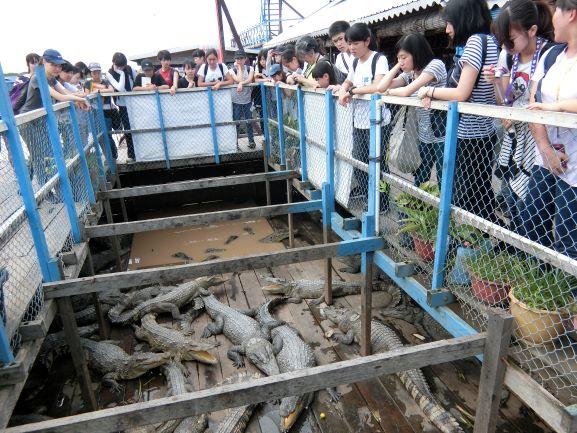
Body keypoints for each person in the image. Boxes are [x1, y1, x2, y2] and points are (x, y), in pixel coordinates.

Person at [417, 0, 499, 222]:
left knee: (464, 195)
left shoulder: (474, 42)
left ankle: (467, 245)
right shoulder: (490, 40)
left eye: (449, 23)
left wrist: (429, 92)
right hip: (484, 130)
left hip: (468, 132)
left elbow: (462, 92)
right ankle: (485, 241)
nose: (447, 29)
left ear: (463, 19)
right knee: (480, 192)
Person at [484, 0, 554, 229]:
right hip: (515, 141)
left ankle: (535, 257)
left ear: (532, 30)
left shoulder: (549, 53)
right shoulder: (508, 56)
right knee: (512, 199)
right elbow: (505, 99)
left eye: (510, 40)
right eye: (502, 41)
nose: (505, 46)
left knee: (536, 208)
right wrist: (495, 81)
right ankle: (516, 250)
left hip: (543, 141)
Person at [520, 0, 577, 259]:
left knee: (569, 238)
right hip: (546, 158)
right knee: (532, 224)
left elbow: (546, 107)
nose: (551, 18)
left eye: (555, 12)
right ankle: (540, 288)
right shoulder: (551, 55)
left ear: (571, 14)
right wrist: (544, 148)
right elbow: (535, 103)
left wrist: (558, 107)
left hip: (575, 167)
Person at [377, 33, 448, 187]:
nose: (401, 61)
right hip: (422, 132)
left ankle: (443, 209)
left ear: (416, 53)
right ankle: (420, 205)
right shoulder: (410, 73)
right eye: (398, 58)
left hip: (442, 132)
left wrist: (389, 92)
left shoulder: (434, 65)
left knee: (444, 176)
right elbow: (381, 87)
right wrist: (398, 65)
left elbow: (405, 91)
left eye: (404, 57)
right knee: (421, 174)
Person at [335, 23, 391, 210]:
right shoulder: (355, 62)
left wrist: (352, 90)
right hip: (359, 121)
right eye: (349, 43)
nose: (351, 48)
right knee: (359, 161)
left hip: (378, 121)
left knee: (378, 164)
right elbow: (347, 81)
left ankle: (381, 204)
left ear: (367, 41)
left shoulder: (378, 59)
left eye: (355, 43)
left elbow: (378, 85)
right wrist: (344, 91)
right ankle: (370, 196)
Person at [19, 49, 89, 185]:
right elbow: (60, 97)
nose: (58, 68)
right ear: (44, 62)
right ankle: (42, 190)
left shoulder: (51, 78)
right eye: (54, 65)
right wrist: (80, 99)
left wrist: (82, 97)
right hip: (28, 122)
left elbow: (66, 91)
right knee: (39, 156)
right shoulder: (38, 77)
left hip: (40, 121)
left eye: (59, 65)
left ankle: (28, 185)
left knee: (43, 154)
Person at [105, 52, 136, 161]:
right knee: (128, 130)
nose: (121, 68)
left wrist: (123, 72)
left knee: (138, 127)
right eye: (118, 65)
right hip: (123, 106)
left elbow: (136, 83)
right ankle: (132, 155)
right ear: (113, 63)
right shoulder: (109, 73)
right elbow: (120, 88)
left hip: (134, 103)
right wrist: (122, 74)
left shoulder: (130, 69)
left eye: (122, 66)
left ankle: (141, 153)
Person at [84, 62, 116, 155]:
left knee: (108, 134)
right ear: (91, 73)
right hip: (94, 111)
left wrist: (97, 91)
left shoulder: (105, 81)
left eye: (98, 72)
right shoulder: (88, 83)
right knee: (98, 135)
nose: (96, 74)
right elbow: (87, 94)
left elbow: (111, 90)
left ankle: (113, 155)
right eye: (94, 72)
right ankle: (107, 156)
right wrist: (101, 90)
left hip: (106, 111)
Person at [230, 50, 256, 149]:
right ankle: (235, 143)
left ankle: (251, 141)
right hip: (236, 100)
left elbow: (249, 79)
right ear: (235, 59)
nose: (239, 60)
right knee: (236, 122)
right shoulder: (232, 70)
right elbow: (238, 79)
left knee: (249, 121)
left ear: (245, 59)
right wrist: (240, 69)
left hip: (247, 100)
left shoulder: (250, 68)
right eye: (237, 58)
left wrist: (241, 83)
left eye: (241, 58)